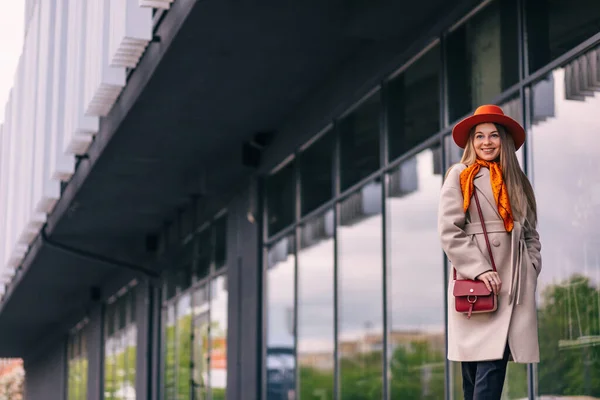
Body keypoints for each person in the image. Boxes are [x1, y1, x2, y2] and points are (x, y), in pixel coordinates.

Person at [438, 105, 542, 400]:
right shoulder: (460, 175)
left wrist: (531, 267)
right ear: (471, 142)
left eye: (494, 135)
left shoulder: (518, 182)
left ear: (504, 140)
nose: (486, 142)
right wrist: (479, 268)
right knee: (475, 381)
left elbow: (532, 233)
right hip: (479, 287)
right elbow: (449, 231)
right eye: (479, 136)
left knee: (491, 370)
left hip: (512, 289)